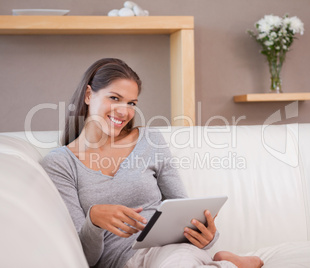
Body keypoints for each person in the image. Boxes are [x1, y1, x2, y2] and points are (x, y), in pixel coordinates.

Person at [40, 58, 264, 268]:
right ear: (89, 95)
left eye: (131, 103)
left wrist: (207, 237)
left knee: (181, 260)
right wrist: (94, 220)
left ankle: (219, 260)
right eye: (114, 98)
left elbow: (182, 208)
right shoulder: (60, 163)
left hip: (173, 250)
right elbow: (85, 258)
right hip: (125, 261)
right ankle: (226, 263)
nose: (124, 111)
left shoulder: (149, 140)